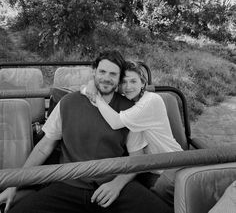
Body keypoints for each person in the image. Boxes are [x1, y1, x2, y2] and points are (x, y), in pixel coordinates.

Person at [0, 51, 172, 213]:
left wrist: (117, 184)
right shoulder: (68, 103)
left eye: (113, 74)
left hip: (112, 184)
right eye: (102, 71)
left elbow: (137, 156)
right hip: (69, 184)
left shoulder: (128, 109)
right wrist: (14, 185)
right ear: (94, 72)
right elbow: (43, 148)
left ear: (119, 79)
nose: (106, 78)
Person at [83, 60, 183, 207]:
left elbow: (116, 122)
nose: (128, 87)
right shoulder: (129, 103)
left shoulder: (151, 101)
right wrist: (92, 84)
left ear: (143, 84)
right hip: (150, 169)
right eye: (123, 82)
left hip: (172, 165)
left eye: (133, 81)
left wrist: (95, 96)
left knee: (158, 204)